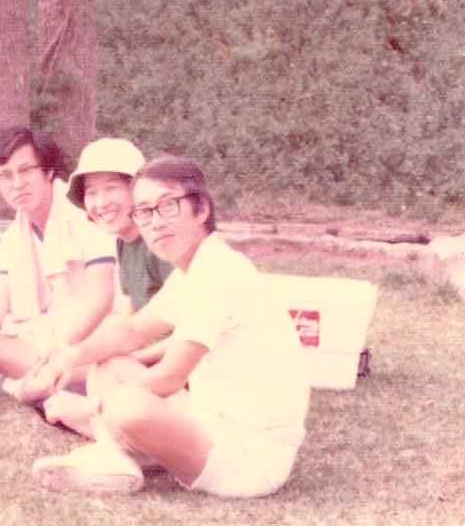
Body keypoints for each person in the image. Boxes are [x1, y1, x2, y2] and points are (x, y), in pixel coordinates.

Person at [31, 156, 311, 497]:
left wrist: (91, 409)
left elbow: (171, 377)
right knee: (109, 367)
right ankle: (121, 457)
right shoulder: (195, 268)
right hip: (213, 420)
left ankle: (112, 453)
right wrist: (70, 357)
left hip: (250, 457)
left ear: (201, 209)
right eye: (145, 212)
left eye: (168, 206)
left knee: (128, 406)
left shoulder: (219, 272)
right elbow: (133, 332)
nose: (155, 223)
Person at [0, 127, 115, 414]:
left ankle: (29, 390)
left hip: (94, 348)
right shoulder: (15, 234)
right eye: (5, 175)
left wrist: (57, 349)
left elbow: (102, 300)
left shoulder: (85, 217)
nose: (17, 183)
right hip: (47, 345)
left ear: (48, 172)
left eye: (26, 170)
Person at [24, 139, 174, 434]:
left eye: (110, 188)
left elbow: (193, 338)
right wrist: (66, 351)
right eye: (91, 193)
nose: (100, 202)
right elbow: (129, 318)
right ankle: (97, 421)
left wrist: (127, 357)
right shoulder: (124, 241)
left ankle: (107, 427)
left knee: (106, 370)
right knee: (60, 378)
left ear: (138, 189)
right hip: (146, 359)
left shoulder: (161, 242)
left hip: (180, 369)